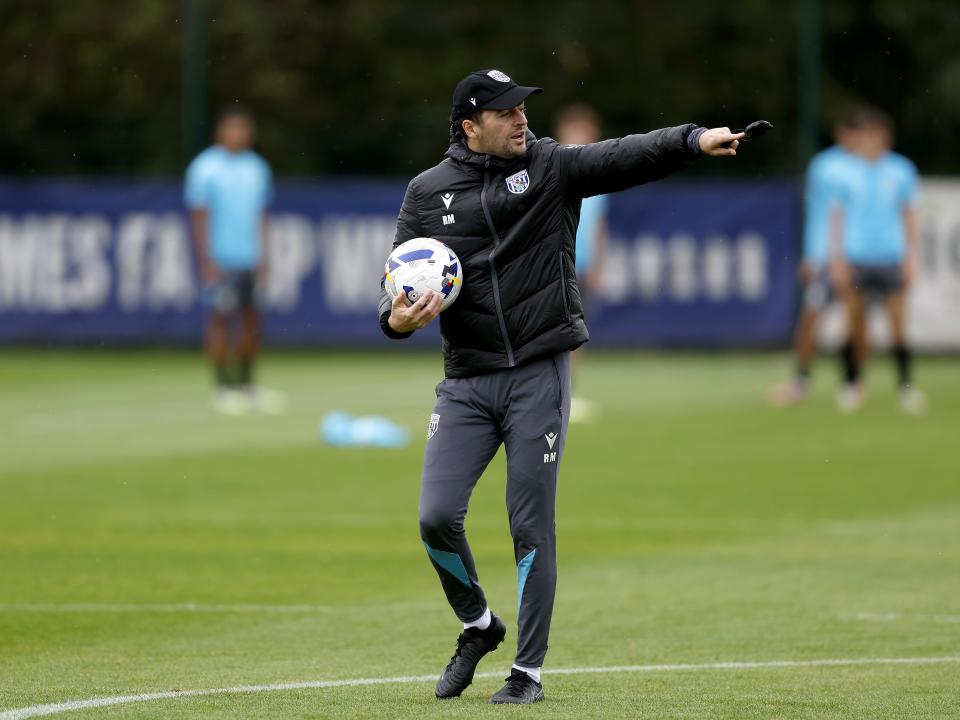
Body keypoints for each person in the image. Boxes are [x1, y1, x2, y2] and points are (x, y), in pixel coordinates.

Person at [378, 68, 744, 704]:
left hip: (538, 375)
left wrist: (692, 140)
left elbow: (625, 156)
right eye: (506, 112)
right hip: (464, 381)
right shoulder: (426, 192)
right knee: (435, 517)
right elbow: (397, 287)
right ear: (471, 126)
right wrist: (394, 320)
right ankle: (478, 625)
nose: (522, 119)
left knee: (529, 524)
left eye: (523, 108)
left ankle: (527, 673)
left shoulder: (550, 168)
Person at [185, 107, 283, 415]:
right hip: (222, 259)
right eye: (232, 129)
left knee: (252, 321)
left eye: (243, 129)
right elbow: (199, 217)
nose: (238, 135)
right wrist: (206, 259)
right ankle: (223, 388)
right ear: (220, 132)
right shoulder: (205, 167)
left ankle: (247, 385)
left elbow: (261, 216)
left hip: (250, 258)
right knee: (220, 320)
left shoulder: (257, 168)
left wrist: (264, 256)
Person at [828, 108, 924, 413]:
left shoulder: (901, 170)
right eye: (866, 136)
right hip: (857, 257)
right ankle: (852, 383)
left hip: (890, 257)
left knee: (898, 325)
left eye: (877, 136)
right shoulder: (846, 173)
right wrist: (838, 259)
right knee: (854, 324)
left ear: (886, 138)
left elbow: (909, 215)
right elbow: (837, 218)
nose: (871, 142)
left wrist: (911, 257)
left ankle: (906, 387)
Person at [770, 118, 857, 406]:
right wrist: (813, 255)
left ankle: (852, 383)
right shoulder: (825, 166)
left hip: (860, 257)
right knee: (811, 319)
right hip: (826, 259)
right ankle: (801, 381)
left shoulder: (877, 167)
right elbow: (821, 214)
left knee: (855, 322)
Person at [553, 104, 608, 423]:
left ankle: (568, 393)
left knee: (576, 332)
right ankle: (555, 393)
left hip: (581, 265)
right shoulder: (553, 168)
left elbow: (600, 226)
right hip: (555, 260)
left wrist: (600, 264)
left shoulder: (599, 175)